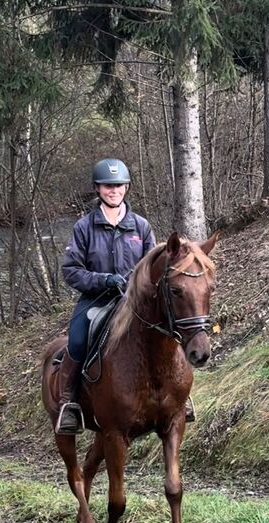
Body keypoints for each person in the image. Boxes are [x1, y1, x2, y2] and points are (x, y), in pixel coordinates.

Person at [56, 158, 156, 434]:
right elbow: (71, 270)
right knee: (77, 340)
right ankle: (68, 403)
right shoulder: (84, 227)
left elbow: (153, 267)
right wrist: (103, 280)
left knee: (167, 330)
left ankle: (178, 399)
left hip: (134, 301)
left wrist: (137, 286)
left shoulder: (141, 227)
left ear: (126, 188)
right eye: (108, 186)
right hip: (96, 299)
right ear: (98, 189)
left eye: (119, 185)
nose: (114, 190)